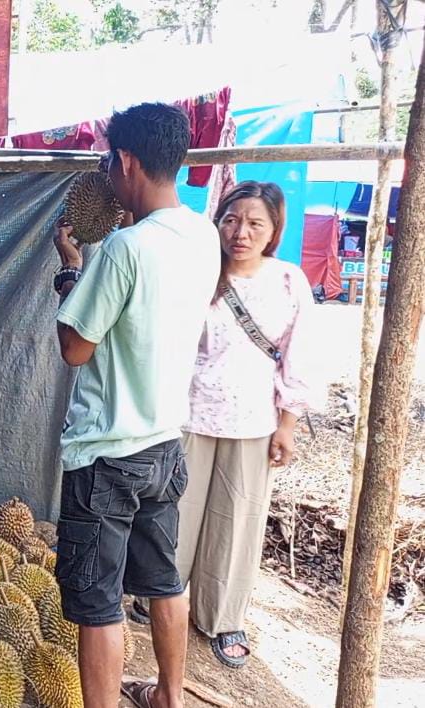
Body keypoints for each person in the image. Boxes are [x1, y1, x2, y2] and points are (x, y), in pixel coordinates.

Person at [52, 102, 219, 708]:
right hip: (164, 445)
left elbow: (75, 347)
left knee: (98, 606)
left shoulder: (124, 247)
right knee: (161, 580)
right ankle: (170, 696)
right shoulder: (203, 235)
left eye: (107, 159)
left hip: (107, 453)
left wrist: (70, 270)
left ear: (125, 160)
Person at [130, 182, 317, 669]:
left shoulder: (287, 281)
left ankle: (222, 617)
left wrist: (288, 422)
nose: (241, 232)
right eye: (232, 220)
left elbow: (298, 356)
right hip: (187, 414)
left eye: (256, 223)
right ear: (217, 221)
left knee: (238, 523)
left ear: (275, 229)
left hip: (254, 420)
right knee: (175, 514)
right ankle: (158, 598)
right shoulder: (200, 272)